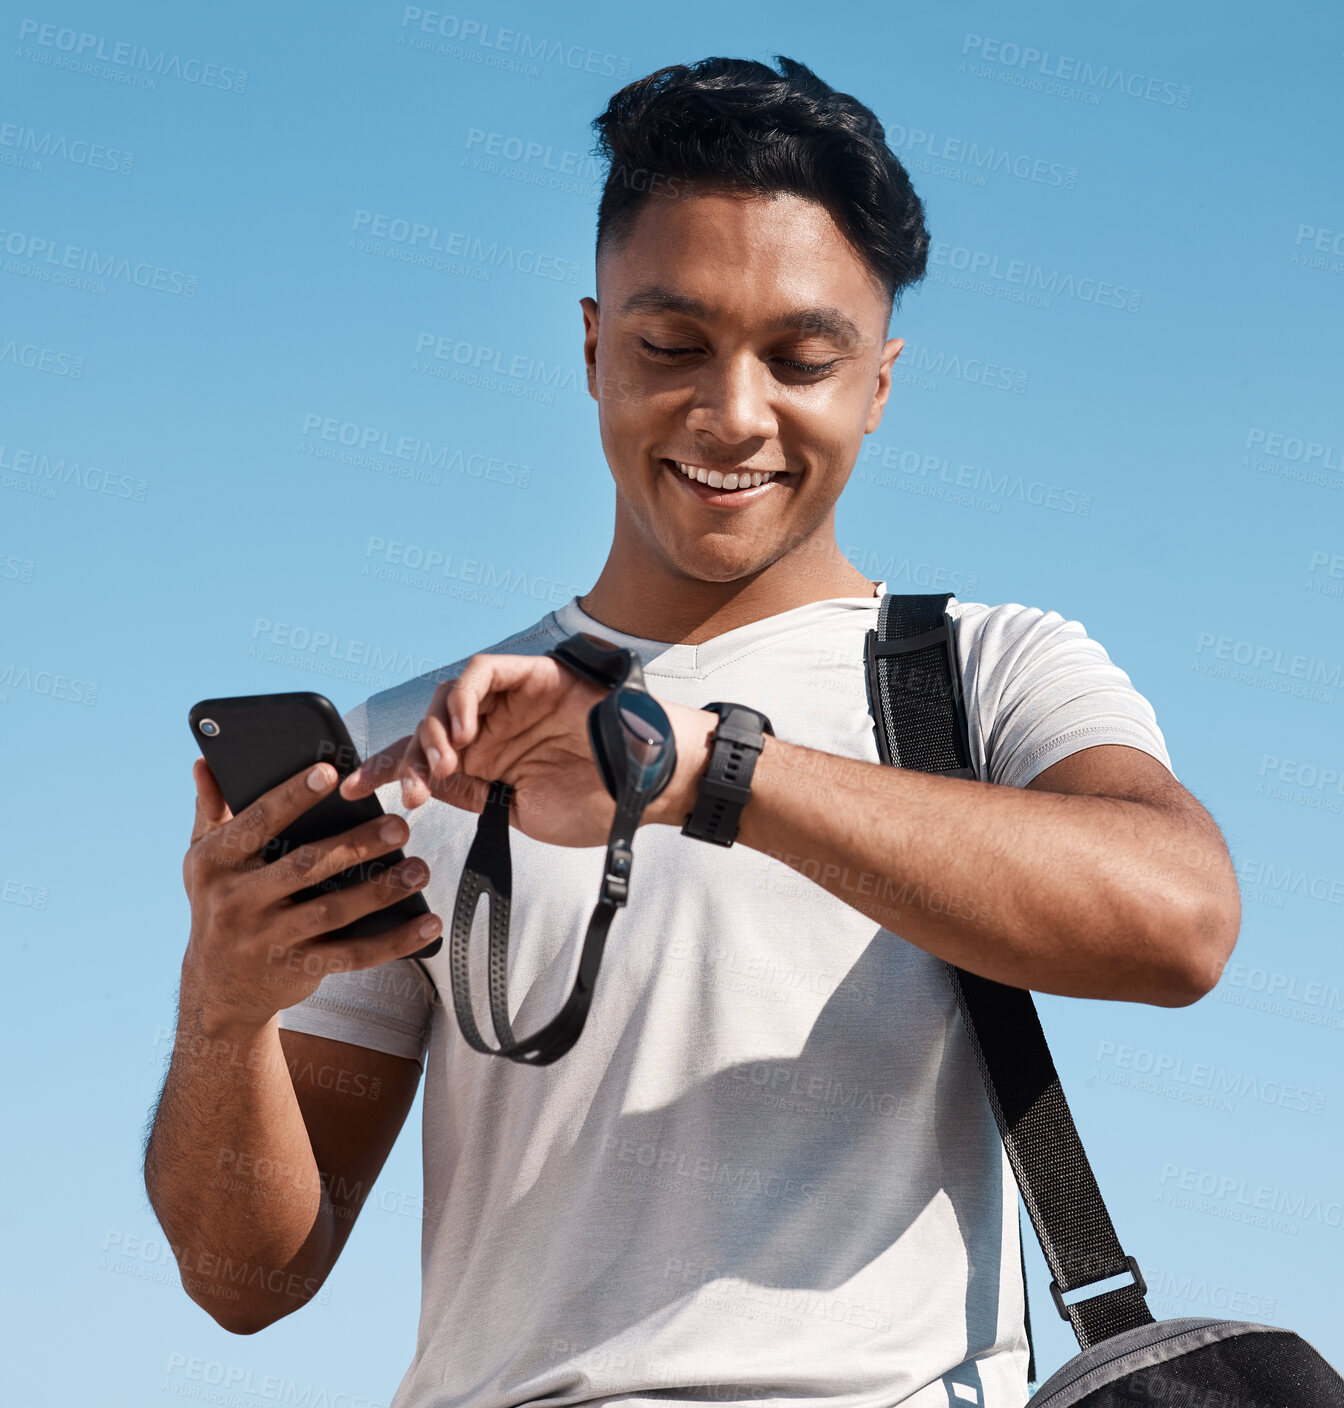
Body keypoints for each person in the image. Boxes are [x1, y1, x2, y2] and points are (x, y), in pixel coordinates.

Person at [145, 55, 1241, 1408]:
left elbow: (1178, 925)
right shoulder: (422, 742)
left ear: (879, 382)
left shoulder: (986, 671)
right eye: (671, 347)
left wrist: (707, 769)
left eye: (801, 357)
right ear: (593, 345)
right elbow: (245, 1279)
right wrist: (223, 1007)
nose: (732, 413)